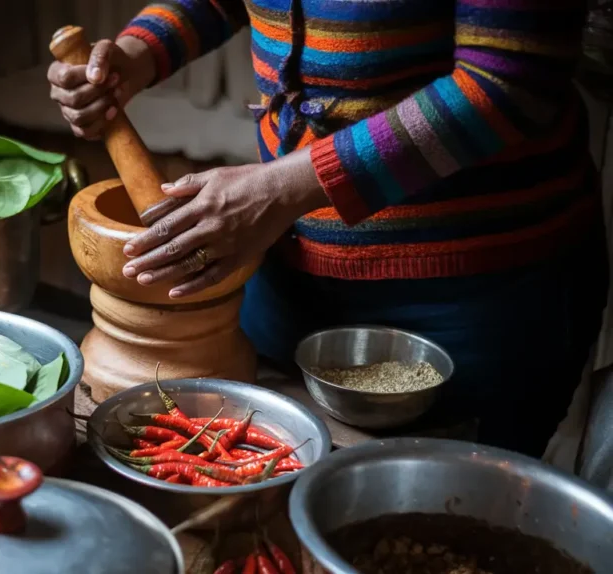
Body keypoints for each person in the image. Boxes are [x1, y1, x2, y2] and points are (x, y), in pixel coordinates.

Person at [48, 0, 609, 458]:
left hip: (477, 295)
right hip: (290, 261)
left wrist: (282, 188)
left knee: (443, 524)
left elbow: (511, 84)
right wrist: (136, 55)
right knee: (268, 476)